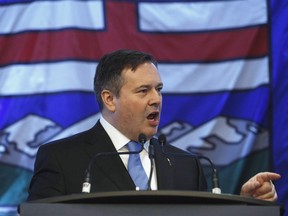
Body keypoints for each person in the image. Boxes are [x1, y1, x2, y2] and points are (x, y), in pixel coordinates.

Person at [27, 49, 280, 202]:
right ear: (109, 99)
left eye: (158, 89)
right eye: (143, 90)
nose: (156, 99)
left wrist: (247, 206)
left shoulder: (187, 165)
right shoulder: (61, 158)